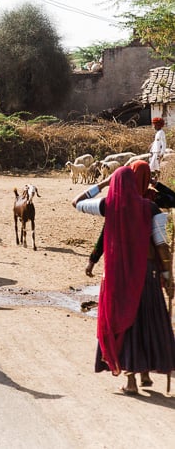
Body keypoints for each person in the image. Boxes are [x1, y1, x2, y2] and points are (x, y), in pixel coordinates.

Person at [72, 166, 175, 395]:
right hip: (146, 277)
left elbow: (76, 202)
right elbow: (161, 245)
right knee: (147, 323)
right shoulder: (150, 208)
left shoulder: (107, 205)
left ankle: (130, 381)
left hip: (117, 278)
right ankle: (145, 372)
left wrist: (103, 184)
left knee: (123, 324)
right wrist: (168, 276)